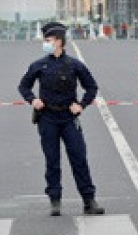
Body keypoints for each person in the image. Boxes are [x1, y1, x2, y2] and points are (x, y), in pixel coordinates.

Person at [18, 21, 105, 217]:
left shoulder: (74, 65)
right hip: (47, 118)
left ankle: (88, 200)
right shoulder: (39, 65)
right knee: (52, 160)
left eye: (48, 40)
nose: (45, 43)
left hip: (68, 118)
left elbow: (91, 87)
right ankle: (55, 200)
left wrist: (81, 105)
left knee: (79, 158)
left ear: (59, 41)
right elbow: (23, 86)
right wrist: (33, 100)